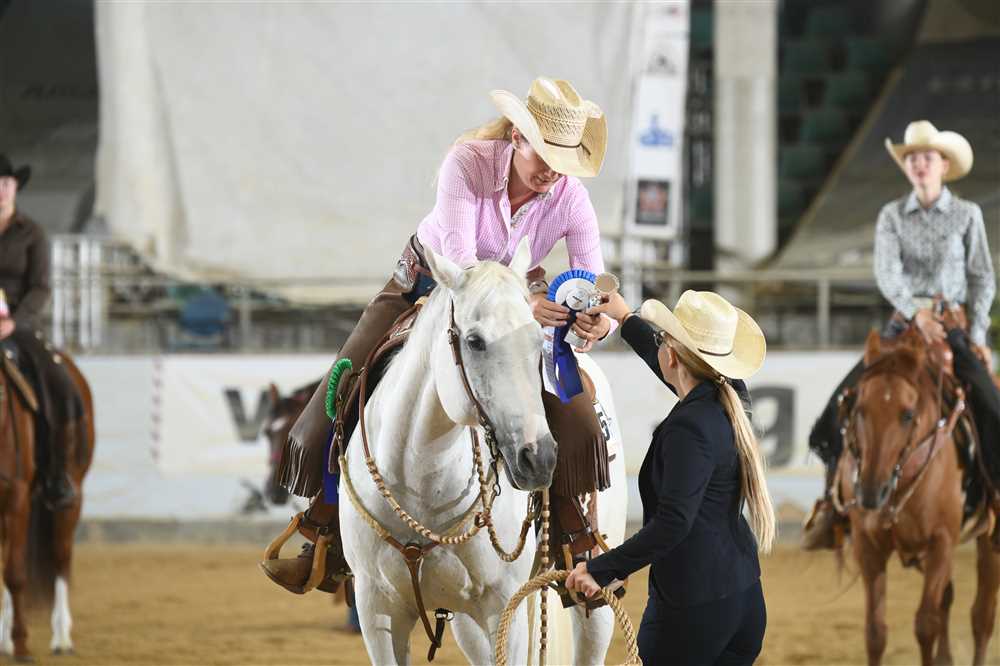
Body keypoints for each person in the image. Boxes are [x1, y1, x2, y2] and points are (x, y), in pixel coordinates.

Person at [262, 77, 618, 593]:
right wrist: (525, 303)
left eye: (563, 161)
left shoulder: (572, 199)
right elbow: (461, 262)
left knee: (579, 421)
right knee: (345, 383)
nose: (551, 171)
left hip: (511, 300)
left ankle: (570, 539)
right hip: (429, 282)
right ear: (517, 137)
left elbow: (594, 285)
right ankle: (325, 524)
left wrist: (597, 321)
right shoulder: (467, 163)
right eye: (544, 155)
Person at [802, 120, 1000, 549]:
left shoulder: (968, 215)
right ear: (906, 167)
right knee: (838, 408)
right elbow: (887, 274)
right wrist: (916, 313)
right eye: (912, 158)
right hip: (902, 326)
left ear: (943, 165)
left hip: (952, 325)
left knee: (991, 406)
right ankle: (833, 506)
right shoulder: (891, 215)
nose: (919, 164)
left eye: (927, 157)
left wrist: (979, 334)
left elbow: (982, 277)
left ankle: (996, 501)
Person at [566, 289, 774, 665]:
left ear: (673, 356)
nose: (659, 346)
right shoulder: (729, 395)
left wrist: (602, 569)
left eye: (663, 340)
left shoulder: (688, 428)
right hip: (743, 599)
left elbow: (674, 523)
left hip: (692, 612)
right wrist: (626, 319)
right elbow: (678, 367)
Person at [0, 154, 82, 509]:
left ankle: (55, 471)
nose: (0, 190)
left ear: (15, 187)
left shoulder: (31, 233)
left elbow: (41, 287)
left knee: (58, 382)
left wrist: (14, 321)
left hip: (19, 326)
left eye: (5, 183)